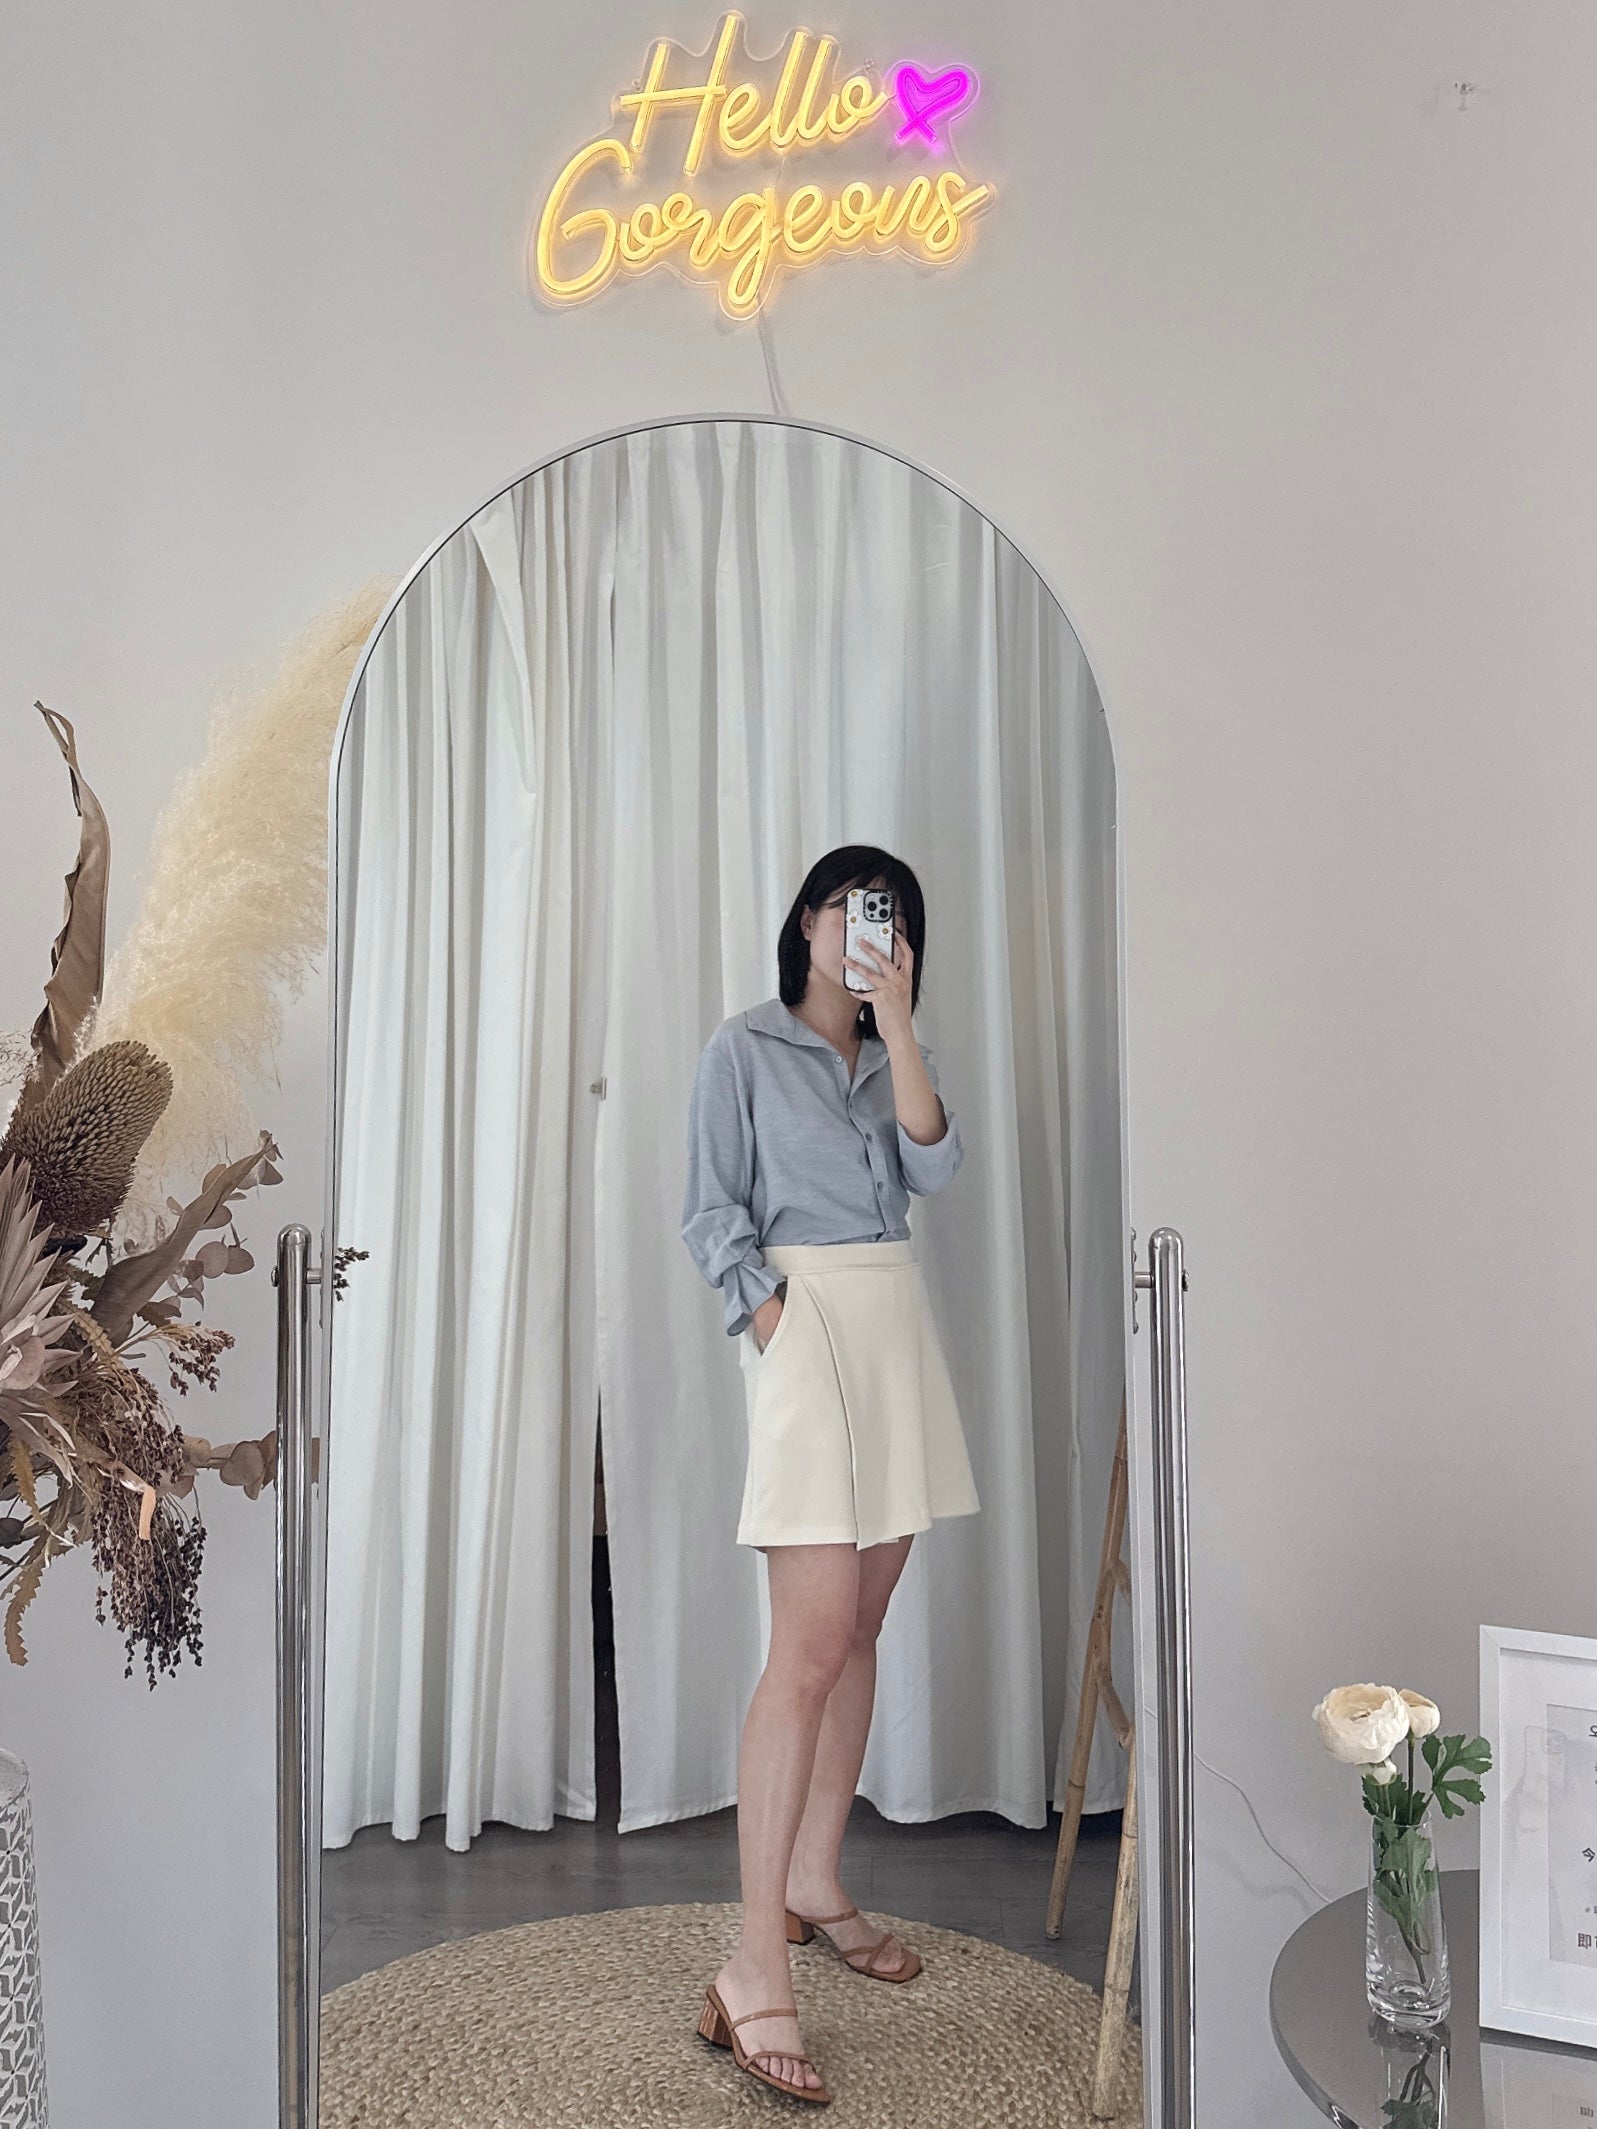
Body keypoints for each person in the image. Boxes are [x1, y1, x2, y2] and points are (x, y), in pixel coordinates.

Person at [680, 844, 981, 2104]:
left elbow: (934, 1166)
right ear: (807, 920)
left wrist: (897, 1025)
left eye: (890, 920)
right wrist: (772, 1317)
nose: (867, 932)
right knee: (803, 1648)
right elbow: (709, 1209)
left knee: (859, 1624)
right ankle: (754, 1961)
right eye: (853, 910)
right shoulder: (741, 1048)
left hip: (892, 1321)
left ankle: (814, 1875)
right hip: (806, 1324)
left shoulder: (891, 1049)